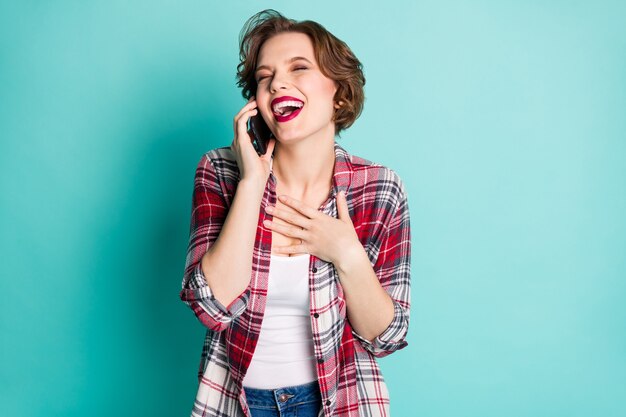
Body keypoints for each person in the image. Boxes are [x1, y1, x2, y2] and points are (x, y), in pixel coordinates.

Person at [180, 9, 411, 417]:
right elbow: (211, 307)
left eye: (298, 68)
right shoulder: (220, 171)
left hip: (340, 404)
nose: (277, 83)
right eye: (264, 77)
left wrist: (346, 253)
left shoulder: (379, 189)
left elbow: (385, 337)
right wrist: (252, 184)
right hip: (236, 403)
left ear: (339, 92)